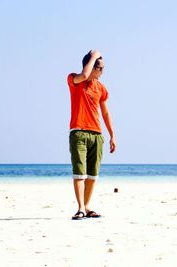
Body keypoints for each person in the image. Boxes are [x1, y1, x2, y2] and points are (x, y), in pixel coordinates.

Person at [67, 50, 116, 220]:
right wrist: (94, 55)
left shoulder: (101, 88)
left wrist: (112, 135)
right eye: (100, 68)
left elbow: (106, 113)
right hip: (78, 132)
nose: (102, 71)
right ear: (92, 67)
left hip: (96, 134)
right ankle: (80, 208)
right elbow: (85, 74)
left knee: (92, 174)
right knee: (79, 172)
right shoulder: (74, 79)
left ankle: (87, 207)